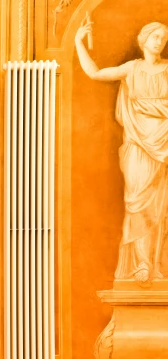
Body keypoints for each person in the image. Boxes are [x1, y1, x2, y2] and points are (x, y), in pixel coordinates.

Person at [76, 19, 168, 283]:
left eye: (163, 37)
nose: (159, 40)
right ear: (144, 38)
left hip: (162, 146)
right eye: (155, 36)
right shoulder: (132, 69)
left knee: (159, 209)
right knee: (137, 203)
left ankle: (155, 264)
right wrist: (78, 42)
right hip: (138, 145)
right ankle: (140, 264)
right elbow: (94, 74)